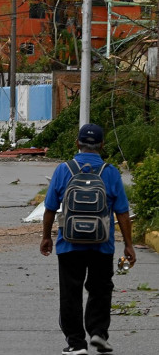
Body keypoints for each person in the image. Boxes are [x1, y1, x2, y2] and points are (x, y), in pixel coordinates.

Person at [40, 123, 136, 355]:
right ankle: (98, 333)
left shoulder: (64, 170)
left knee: (70, 292)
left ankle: (76, 343)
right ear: (102, 145)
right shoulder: (110, 172)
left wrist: (46, 237)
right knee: (101, 288)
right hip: (102, 245)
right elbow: (122, 212)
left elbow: (50, 208)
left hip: (69, 244)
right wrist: (129, 245)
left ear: (77, 144)